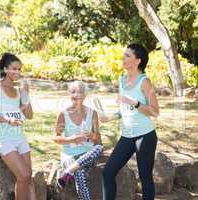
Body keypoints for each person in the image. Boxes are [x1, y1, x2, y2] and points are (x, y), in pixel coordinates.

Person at [102, 44, 159, 200]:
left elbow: (155, 111)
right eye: (123, 55)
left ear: (137, 61)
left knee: (145, 177)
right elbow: (124, 110)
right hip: (127, 135)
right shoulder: (122, 80)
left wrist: (134, 102)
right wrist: (110, 117)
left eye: (127, 55)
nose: (123, 58)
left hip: (145, 136)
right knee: (108, 172)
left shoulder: (144, 82)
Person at [0, 53, 37, 200]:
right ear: (5, 69)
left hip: (19, 138)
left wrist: (26, 95)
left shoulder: (19, 91)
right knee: (23, 175)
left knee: (28, 177)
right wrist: (7, 120)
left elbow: (30, 115)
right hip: (3, 139)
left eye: (20, 69)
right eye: (14, 68)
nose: (18, 72)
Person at [52, 81, 103, 200]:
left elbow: (98, 139)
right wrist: (71, 139)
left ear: (85, 95)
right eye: (73, 92)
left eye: (80, 92)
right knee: (79, 172)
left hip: (88, 154)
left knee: (99, 148)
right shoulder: (63, 114)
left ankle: (68, 171)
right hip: (69, 155)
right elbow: (55, 137)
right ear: (69, 94)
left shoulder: (92, 113)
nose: (76, 95)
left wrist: (91, 135)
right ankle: (73, 169)